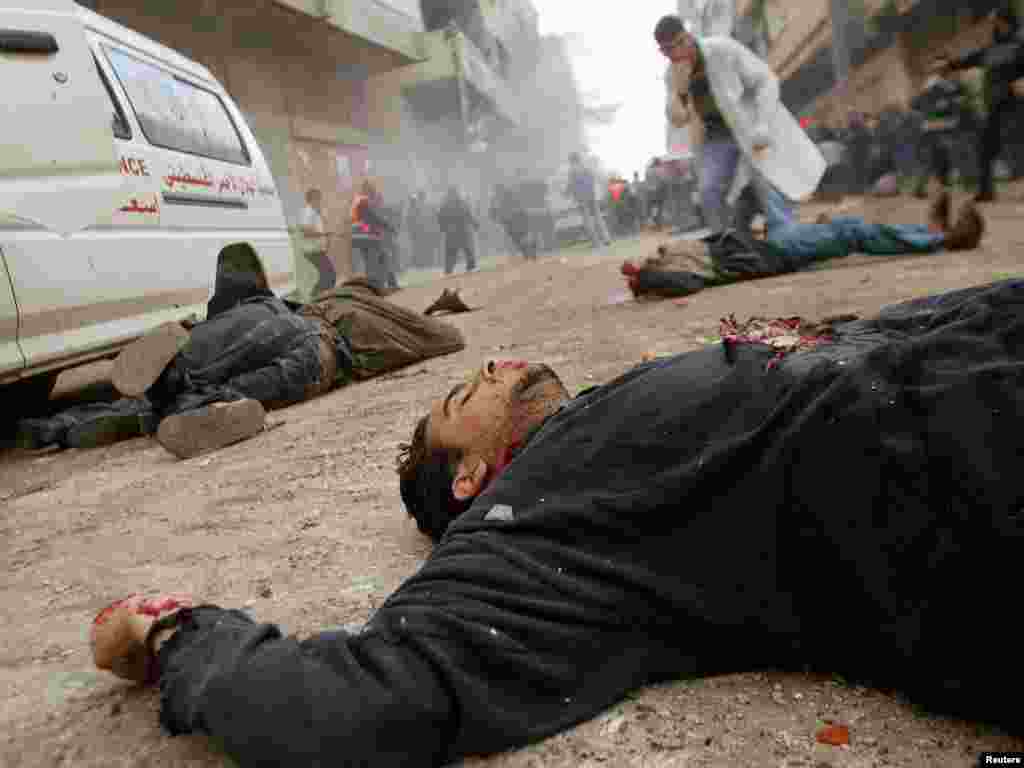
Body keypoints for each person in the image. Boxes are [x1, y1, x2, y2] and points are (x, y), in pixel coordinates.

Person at [91, 275, 1024, 767]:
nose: (494, 363)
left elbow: (865, 339)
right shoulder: (529, 517)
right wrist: (176, 634)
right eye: (467, 393)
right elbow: (360, 702)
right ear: (466, 479)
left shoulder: (600, 425)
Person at [17, 279, 465, 459]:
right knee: (244, 383)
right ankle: (195, 404)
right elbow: (449, 338)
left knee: (199, 358)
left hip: (271, 314)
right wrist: (441, 311)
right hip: (321, 351)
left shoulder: (329, 298)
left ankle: (55, 426)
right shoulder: (387, 322)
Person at [622, 192, 983, 299]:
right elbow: (686, 283)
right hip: (777, 253)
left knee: (845, 226)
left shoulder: (676, 257)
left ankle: (927, 233)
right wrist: (646, 279)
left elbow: (723, 237)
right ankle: (944, 239)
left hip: (770, 243)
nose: (651, 255)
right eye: (647, 263)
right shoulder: (681, 273)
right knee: (849, 232)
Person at [656, 14, 825, 238]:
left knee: (764, 180)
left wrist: (762, 123)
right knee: (709, 190)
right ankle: (728, 247)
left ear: (688, 37)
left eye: (679, 43)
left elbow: (765, 79)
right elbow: (678, 119)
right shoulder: (672, 74)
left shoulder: (722, 49)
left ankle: (786, 235)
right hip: (717, 137)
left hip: (750, 126)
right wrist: (680, 91)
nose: (676, 53)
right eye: (667, 50)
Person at [937, 4, 1024, 202]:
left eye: (1000, 22)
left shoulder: (1020, 43)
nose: (997, 25)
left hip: (1017, 103)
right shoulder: (992, 49)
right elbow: (972, 59)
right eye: (995, 23)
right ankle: (986, 191)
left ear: (1008, 22)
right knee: (985, 147)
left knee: (1019, 144)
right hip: (995, 104)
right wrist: (951, 64)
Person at [911, 73, 973, 198]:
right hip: (943, 131)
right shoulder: (943, 94)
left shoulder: (925, 95)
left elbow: (914, 105)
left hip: (931, 132)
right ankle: (962, 185)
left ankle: (923, 188)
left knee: (934, 162)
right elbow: (953, 108)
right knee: (953, 158)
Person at [351, 179, 400, 291]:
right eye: (372, 190)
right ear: (369, 190)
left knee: (381, 258)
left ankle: (390, 284)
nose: (374, 192)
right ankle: (376, 288)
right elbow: (373, 218)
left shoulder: (357, 200)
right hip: (368, 236)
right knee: (374, 263)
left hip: (361, 236)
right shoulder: (364, 201)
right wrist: (389, 227)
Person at [567, 152, 612, 249]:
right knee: (598, 218)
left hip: (582, 198)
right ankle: (606, 239)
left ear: (571, 160)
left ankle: (596, 242)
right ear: (579, 158)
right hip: (592, 195)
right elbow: (593, 179)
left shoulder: (572, 171)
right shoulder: (586, 167)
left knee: (587, 220)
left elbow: (570, 185)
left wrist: (567, 193)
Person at [299, 188, 336, 297]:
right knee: (329, 275)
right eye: (319, 198)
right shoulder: (307, 212)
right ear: (312, 199)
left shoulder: (314, 212)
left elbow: (317, 230)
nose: (320, 201)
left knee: (327, 275)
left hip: (316, 249)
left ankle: (318, 297)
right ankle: (315, 297)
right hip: (311, 250)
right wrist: (324, 235)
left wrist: (325, 239)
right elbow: (306, 232)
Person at [437, 186, 478, 275]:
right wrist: (474, 223)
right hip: (459, 231)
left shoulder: (447, 204)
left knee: (458, 251)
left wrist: (443, 228)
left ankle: (450, 269)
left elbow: (440, 218)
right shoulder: (458, 203)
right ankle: (452, 269)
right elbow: (468, 214)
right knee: (462, 250)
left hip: (456, 231)